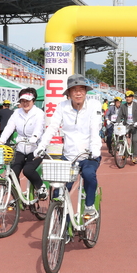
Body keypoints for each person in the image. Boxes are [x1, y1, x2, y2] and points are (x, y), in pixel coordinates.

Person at [36, 74, 102, 215]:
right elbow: (53, 127)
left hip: (88, 155)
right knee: (58, 193)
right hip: (69, 157)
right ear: (69, 93)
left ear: (86, 91)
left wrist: (95, 149)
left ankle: (89, 205)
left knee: (89, 174)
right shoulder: (62, 107)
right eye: (74, 90)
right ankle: (63, 229)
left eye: (81, 89)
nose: (78, 93)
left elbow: (94, 128)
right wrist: (42, 145)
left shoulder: (94, 105)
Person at [0, 88, 47, 199]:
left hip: (35, 148)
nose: (25, 103)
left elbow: (39, 128)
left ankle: (41, 186)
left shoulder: (39, 113)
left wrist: (34, 138)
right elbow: (9, 127)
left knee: (28, 170)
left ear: (33, 100)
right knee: (12, 173)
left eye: (28, 100)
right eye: (22, 100)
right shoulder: (16, 113)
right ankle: (17, 198)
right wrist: (1, 141)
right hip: (20, 147)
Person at [117, 90, 137, 163]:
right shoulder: (123, 106)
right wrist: (117, 122)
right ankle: (124, 152)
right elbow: (119, 116)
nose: (128, 98)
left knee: (134, 139)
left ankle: (135, 155)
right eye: (126, 97)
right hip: (127, 125)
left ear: (132, 98)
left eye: (129, 97)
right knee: (121, 137)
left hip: (135, 125)